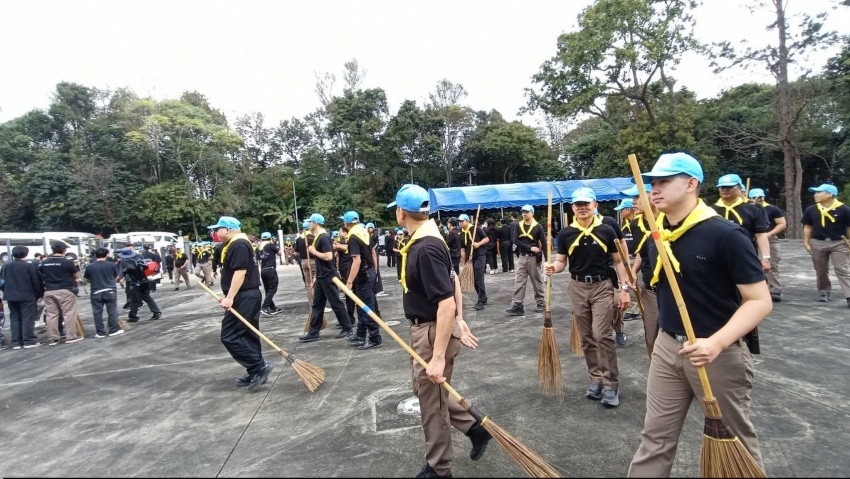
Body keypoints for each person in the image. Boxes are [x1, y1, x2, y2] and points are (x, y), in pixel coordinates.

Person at [627, 152, 773, 476]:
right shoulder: (658, 235)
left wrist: (716, 343)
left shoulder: (726, 234)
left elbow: (759, 301)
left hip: (717, 353)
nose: (654, 189)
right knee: (654, 439)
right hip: (668, 348)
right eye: (652, 182)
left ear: (691, 183)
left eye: (665, 181)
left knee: (733, 440)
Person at [389, 184, 489, 479]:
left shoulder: (426, 247)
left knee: (431, 404)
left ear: (401, 212)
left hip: (432, 331)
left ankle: (439, 469)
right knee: (426, 392)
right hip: (428, 329)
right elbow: (453, 279)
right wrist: (461, 318)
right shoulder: (428, 238)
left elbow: (445, 302)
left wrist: (437, 356)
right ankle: (474, 427)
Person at [547, 187, 631, 407]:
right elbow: (561, 261)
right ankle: (596, 379)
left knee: (601, 334)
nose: (582, 207)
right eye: (578, 204)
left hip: (603, 286)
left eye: (586, 203)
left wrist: (624, 289)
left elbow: (619, 261)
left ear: (595, 205)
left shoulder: (607, 230)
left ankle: (611, 384)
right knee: (586, 337)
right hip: (577, 287)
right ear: (573, 208)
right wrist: (553, 267)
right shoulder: (566, 233)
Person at [207, 216, 274, 390]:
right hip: (246, 296)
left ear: (228, 229)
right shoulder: (237, 243)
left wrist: (230, 297)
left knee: (229, 335)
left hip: (244, 296)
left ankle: (258, 366)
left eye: (218, 229)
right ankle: (255, 371)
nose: (216, 232)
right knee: (248, 334)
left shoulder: (238, 245)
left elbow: (240, 272)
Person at [299, 213, 354, 342]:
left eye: (310, 222)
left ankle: (347, 327)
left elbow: (329, 256)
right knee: (317, 304)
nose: (309, 224)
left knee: (335, 303)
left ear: (315, 223)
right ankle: (313, 331)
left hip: (328, 276)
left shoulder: (323, 238)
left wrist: (314, 252)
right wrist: (316, 277)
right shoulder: (319, 237)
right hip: (321, 276)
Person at [621, 185, 660, 356]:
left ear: (654, 195)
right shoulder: (636, 224)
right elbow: (641, 253)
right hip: (651, 288)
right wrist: (633, 272)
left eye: (637, 197)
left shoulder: (670, 219)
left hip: (677, 288)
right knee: (652, 334)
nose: (633, 201)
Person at [802, 183, 850, 306]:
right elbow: (808, 226)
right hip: (818, 242)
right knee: (821, 269)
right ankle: (823, 292)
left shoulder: (844, 209)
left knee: (842, 269)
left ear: (829, 194)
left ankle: (849, 295)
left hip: (839, 242)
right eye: (815, 192)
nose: (815, 195)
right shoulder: (811, 209)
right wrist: (806, 243)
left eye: (819, 192)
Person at [340, 211, 381, 349]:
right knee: (361, 305)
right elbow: (373, 253)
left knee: (367, 307)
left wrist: (349, 282)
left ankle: (375, 337)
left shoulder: (352, 236)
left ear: (346, 223)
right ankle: (360, 334)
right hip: (368, 272)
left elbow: (356, 261)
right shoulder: (363, 231)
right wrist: (374, 272)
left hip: (363, 274)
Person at [506, 204, 546, 315]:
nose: (524, 214)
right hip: (522, 257)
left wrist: (547, 260)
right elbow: (515, 240)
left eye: (527, 212)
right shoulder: (518, 225)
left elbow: (544, 243)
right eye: (523, 212)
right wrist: (530, 247)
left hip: (534, 258)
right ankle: (517, 305)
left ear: (532, 213)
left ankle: (541, 303)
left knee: (536, 281)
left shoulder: (538, 226)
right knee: (519, 281)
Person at [39, 241, 82, 345]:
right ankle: (70, 337)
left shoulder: (44, 262)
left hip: (49, 290)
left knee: (51, 314)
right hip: (65, 290)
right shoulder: (67, 262)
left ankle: (53, 338)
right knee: (68, 314)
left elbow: (41, 275)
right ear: (64, 250)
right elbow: (76, 276)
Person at [749, 188, 787, 302]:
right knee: (751, 265)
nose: (758, 199)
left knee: (771, 264)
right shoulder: (747, 208)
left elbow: (782, 224)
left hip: (769, 239)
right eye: (755, 197)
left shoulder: (772, 209)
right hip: (750, 240)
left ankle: (775, 290)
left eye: (760, 197)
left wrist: (769, 234)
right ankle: (758, 290)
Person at [3, 246, 44, 349]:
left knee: (15, 318)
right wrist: (39, 294)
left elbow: (2, 281)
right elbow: (36, 281)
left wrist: (6, 291)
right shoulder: (29, 266)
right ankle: (28, 340)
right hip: (27, 295)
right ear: (26, 253)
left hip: (11, 295)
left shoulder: (6, 266)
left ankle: (16, 341)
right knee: (28, 318)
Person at [84, 247, 124, 338]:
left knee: (97, 312)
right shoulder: (111, 265)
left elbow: (87, 280)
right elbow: (116, 277)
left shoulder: (90, 266)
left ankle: (100, 332)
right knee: (112, 311)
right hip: (110, 290)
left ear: (95, 255)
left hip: (96, 291)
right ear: (106, 255)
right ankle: (113, 330)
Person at [118, 247, 162, 322]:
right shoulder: (139, 257)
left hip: (136, 283)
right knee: (147, 297)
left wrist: (121, 277)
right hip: (145, 281)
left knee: (134, 299)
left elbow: (123, 271)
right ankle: (156, 312)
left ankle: (133, 316)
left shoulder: (126, 262)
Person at [615, 198, 642, 322]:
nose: (620, 212)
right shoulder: (625, 224)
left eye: (622, 210)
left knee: (637, 284)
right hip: (628, 259)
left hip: (637, 258)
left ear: (628, 209)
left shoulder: (638, 224)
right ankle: (634, 309)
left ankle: (637, 309)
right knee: (629, 284)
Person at [458, 213, 489, 310]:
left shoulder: (476, 228)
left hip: (480, 255)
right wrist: (464, 263)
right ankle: (483, 297)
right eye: (459, 221)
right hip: (470, 259)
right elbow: (462, 250)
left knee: (479, 278)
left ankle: (481, 300)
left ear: (467, 221)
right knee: (474, 279)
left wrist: (478, 244)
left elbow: (486, 239)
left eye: (462, 221)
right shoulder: (461, 233)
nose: (460, 223)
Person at [257, 233, 282, 315]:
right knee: (273, 289)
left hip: (263, 270)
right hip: (270, 269)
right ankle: (264, 307)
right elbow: (279, 253)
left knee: (268, 289)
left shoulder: (259, 247)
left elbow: (259, 259)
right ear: (270, 238)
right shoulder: (270, 245)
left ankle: (272, 307)